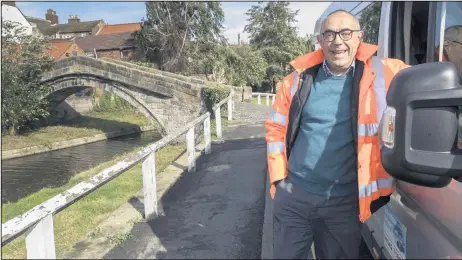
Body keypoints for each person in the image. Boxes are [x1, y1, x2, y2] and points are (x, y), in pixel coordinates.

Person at [265, 9, 410, 259]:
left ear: (359, 38)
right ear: (320, 41)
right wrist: (279, 180)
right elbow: (275, 129)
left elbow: (432, 82)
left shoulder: (386, 74)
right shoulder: (297, 80)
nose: (338, 41)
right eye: (330, 34)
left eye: (346, 33)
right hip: (295, 197)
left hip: (345, 202)